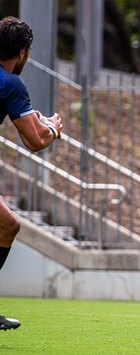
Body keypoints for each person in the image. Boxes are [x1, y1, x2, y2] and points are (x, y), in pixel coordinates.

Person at [0, 16, 63, 331]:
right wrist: (53, 128)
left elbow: (27, 125)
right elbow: (35, 141)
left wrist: (37, 121)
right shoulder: (10, 83)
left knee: (7, 225)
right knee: (7, 226)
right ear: (22, 53)